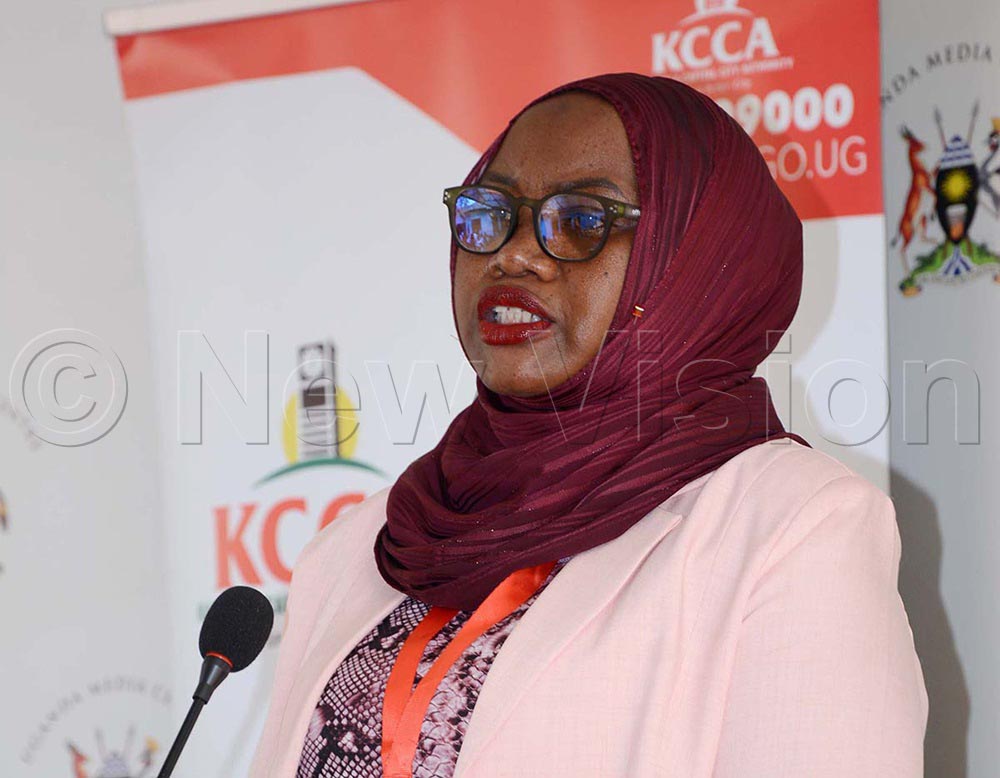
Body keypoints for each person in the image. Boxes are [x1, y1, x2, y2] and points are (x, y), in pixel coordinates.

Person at [249, 72, 928, 778]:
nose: (512, 253)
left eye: (580, 221)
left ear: (692, 263)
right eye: (491, 212)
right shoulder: (358, 548)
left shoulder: (792, 530)